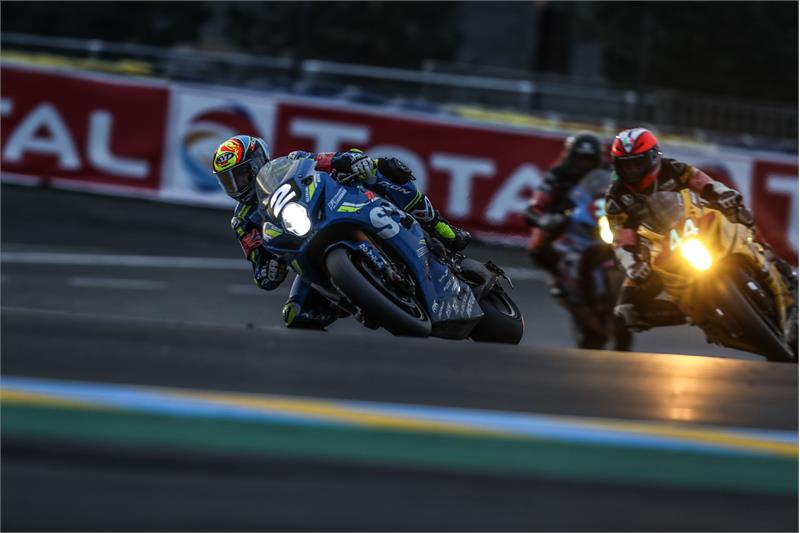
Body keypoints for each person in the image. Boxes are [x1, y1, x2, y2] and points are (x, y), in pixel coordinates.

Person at [211, 134, 471, 329]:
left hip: (332, 210)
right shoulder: (242, 220)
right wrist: (267, 269)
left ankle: (440, 227)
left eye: (241, 174)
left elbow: (321, 160)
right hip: (304, 249)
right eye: (228, 180)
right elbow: (259, 265)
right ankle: (355, 300)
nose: (237, 184)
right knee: (295, 315)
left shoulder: (287, 163)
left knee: (383, 168)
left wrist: (348, 160)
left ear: (258, 162)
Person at [604, 127, 796, 330]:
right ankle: (696, 314)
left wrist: (724, 195)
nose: (632, 170)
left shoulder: (675, 169)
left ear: (653, 157)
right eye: (626, 165)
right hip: (657, 250)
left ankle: (776, 264)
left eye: (638, 163)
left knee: (740, 213)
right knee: (626, 311)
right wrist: (633, 265)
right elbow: (621, 240)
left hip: (694, 225)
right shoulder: (616, 198)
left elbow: (706, 183)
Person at [524, 131, 607, 297]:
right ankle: (559, 277)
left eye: (589, 160)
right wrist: (544, 219)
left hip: (601, 219)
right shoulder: (556, 174)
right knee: (537, 247)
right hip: (566, 222)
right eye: (580, 159)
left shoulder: (608, 172)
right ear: (571, 157)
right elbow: (534, 206)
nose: (584, 165)